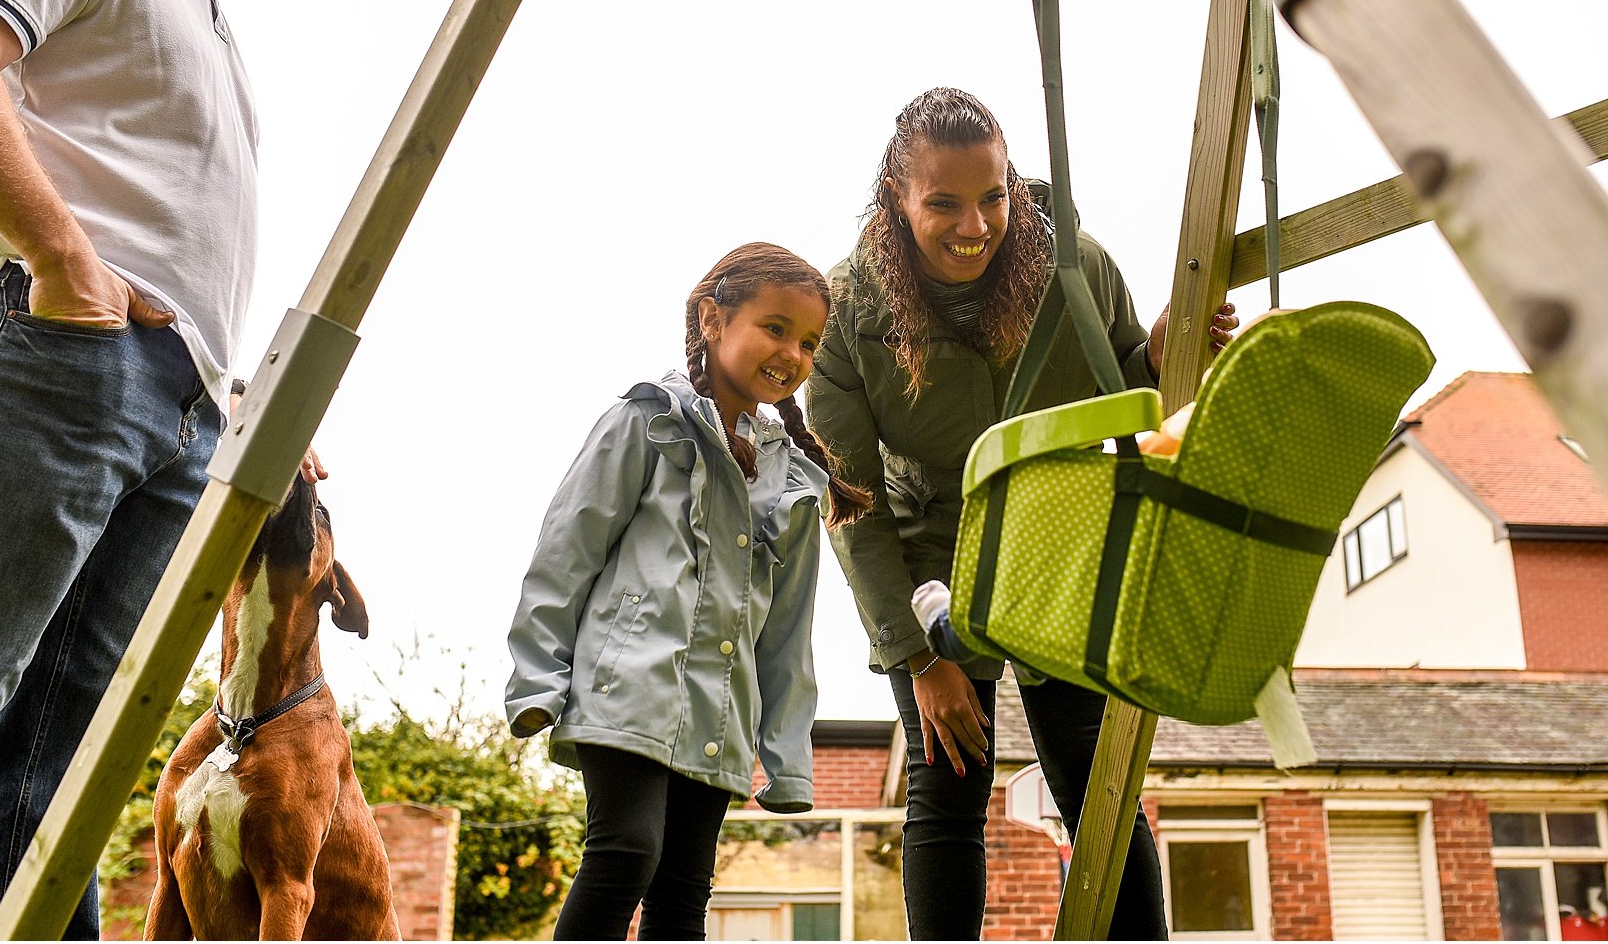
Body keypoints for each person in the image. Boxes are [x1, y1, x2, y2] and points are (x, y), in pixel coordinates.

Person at [0, 0, 338, 940]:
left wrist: (236, 403)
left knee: (67, 744)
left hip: (180, 409)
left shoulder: (211, 16)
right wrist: (61, 255)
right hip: (48, 345)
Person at [808, 86, 1237, 940]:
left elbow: (1130, 398)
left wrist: (1161, 352)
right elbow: (849, 503)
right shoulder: (849, 308)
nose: (975, 224)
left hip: (1056, 539)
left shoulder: (1073, 263)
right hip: (933, 554)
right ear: (896, 197)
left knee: (1096, 781)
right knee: (948, 781)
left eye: (994, 196)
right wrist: (915, 659)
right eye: (944, 202)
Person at [505, 243, 872, 941]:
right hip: (627, 688)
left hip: (718, 712)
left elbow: (788, 632)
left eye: (809, 342)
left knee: (683, 894)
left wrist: (786, 755)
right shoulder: (647, 422)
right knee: (627, 851)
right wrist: (537, 681)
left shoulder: (792, 480)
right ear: (713, 318)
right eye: (775, 327)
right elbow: (564, 554)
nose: (792, 352)